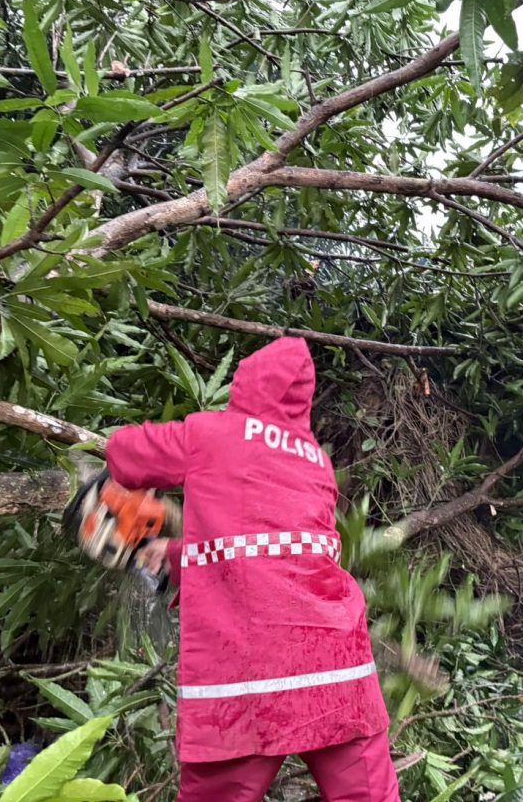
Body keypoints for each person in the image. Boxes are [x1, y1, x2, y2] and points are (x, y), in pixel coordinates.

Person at [106, 337, 398, 802]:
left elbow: (126, 454)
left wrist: (95, 451)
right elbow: (279, 554)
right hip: (339, 672)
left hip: (249, 682)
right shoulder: (316, 462)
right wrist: (178, 555)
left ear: (244, 386)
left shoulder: (210, 434)